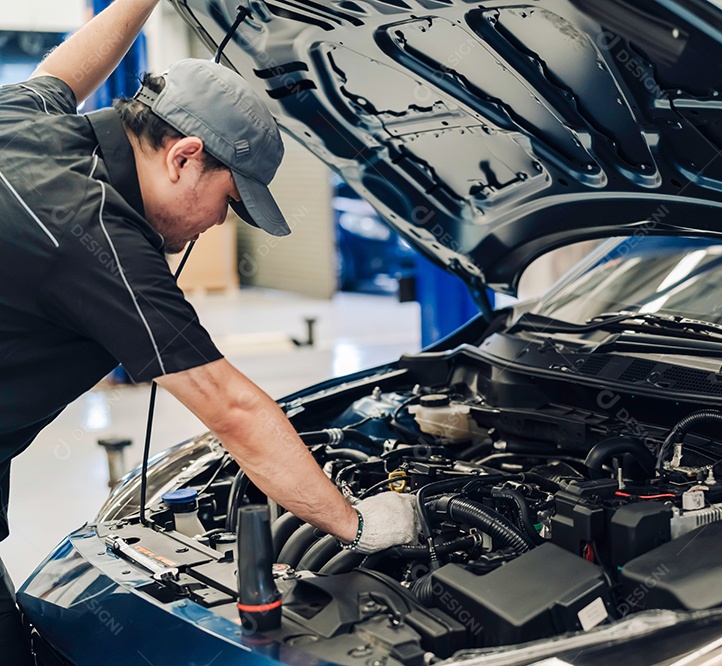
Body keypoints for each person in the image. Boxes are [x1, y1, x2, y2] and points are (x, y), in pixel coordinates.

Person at [0, 1, 419, 661]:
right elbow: (231, 408)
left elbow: (66, 67)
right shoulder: (96, 235)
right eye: (229, 199)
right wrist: (358, 522)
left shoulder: (24, 119)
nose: (221, 224)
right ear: (185, 156)